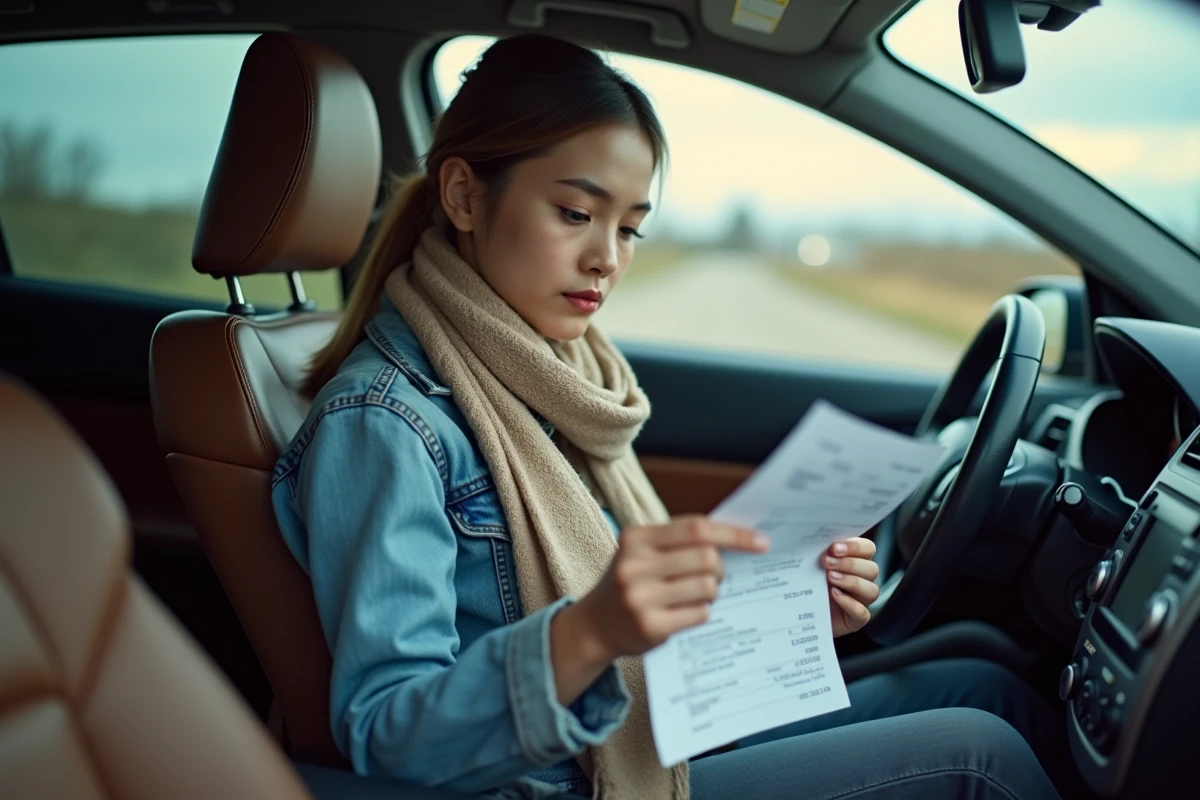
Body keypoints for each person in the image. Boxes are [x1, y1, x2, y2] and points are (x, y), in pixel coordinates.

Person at [272, 33, 1066, 800]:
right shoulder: (385, 424)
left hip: (643, 733)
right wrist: (584, 635)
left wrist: (790, 612)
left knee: (984, 684)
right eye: (576, 214)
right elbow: (385, 738)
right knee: (981, 757)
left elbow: (642, 636)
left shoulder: (555, 376)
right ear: (464, 196)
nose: (606, 259)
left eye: (629, 227)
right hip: (561, 781)